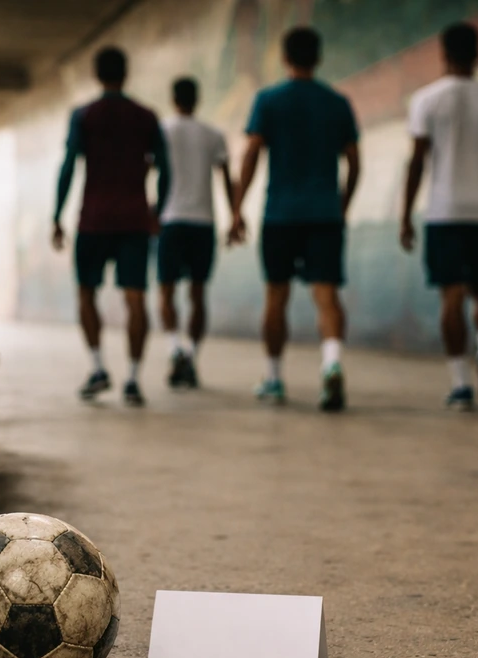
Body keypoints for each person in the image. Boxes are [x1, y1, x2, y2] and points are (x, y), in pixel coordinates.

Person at [230, 27, 361, 412]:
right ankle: (332, 363)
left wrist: (237, 208)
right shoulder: (337, 103)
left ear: (284, 58)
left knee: (276, 296)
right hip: (324, 213)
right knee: (326, 295)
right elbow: (354, 162)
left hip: (281, 214)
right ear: (318, 58)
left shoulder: (268, 100)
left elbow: (251, 154)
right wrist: (343, 204)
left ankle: (273, 379)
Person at [400, 22, 478, 410]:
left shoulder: (425, 100)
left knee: (451, 298)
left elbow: (417, 163)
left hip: (444, 212)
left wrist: (405, 213)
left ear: (443, 54)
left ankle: (460, 386)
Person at [52, 46, 170, 406]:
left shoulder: (84, 115)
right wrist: (157, 212)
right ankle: (133, 379)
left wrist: (56, 215)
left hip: (94, 219)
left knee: (86, 293)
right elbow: (167, 168)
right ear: (126, 73)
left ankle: (98, 368)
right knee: (136, 299)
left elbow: (70, 165)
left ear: (97, 75)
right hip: (134, 219)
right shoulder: (146, 116)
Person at [158, 77, 235, 388]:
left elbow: (149, 171)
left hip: (170, 220)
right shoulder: (213, 135)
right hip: (203, 223)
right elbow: (226, 178)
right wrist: (236, 216)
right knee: (198, 294)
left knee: (166, 293)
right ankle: (191, 354)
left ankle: (174, 348)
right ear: (197, 99)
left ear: (173, 99)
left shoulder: (162, 131)